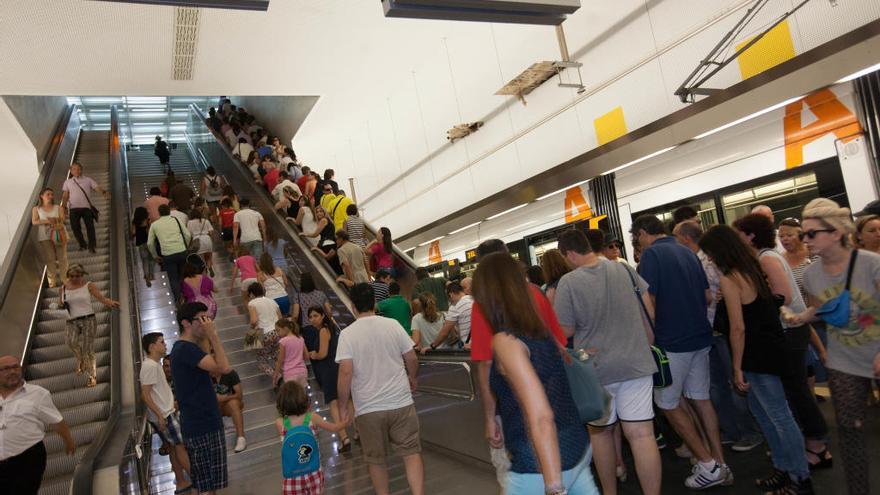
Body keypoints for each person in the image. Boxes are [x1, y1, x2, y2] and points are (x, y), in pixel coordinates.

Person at [699, 225, 814, 495]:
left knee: (778, 415)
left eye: (711, 254)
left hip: (756, 353)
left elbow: (738, 328)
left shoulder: (731, 277)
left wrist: (737, 368)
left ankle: (799, 477)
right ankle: (785, 469)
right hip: (770, 348)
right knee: (767, 415)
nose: (710, 259)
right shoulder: (753, 268)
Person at [474, 253, 598, 495]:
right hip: (577, 445)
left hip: (539, 462)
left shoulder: (505, 341)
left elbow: (540, 416)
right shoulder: (539, 330)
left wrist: (553, 487)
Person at [553, 230, 661, 495]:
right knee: (642, 435)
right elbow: (648, 311)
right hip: (636, 363)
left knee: (600, 436)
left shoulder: (568, 282)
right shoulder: (623, 270)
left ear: (569, 253)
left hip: (596, 370)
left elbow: (564, 330)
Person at [630, 214, 730, 489]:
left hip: (672, 340)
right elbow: (708, 295)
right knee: (701, 398)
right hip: (700, 336)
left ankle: (707, 464)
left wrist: (650, 338)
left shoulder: (651, 256)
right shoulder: (688, 253)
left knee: (668, 404)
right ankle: (720, 462)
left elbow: (647, 301)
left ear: (641, 234)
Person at [788, 198, 880, 495]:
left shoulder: (870, 263)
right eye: (804, 234)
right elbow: (824, 306)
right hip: (844, 361)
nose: (805, 240)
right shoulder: (812, 275)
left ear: (836, 233)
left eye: (811, 234)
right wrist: (801, 316)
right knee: (849, 433)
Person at [733, 213, 830, 468]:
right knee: (795, 389)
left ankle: (816, 446)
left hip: (789, 329)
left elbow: (783, 296)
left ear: (750, 235)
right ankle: (811, 445)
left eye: (740, 233)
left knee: (797, 390)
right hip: (788, 329)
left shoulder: (767, 257)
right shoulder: (766, 256)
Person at [673, 220, 764, 452]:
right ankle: (731, 430)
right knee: (716, 387)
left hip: (722, 329)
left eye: (676, 236)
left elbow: (716, 297)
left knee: (734, 384)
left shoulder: (709, 261)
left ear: (685, 238)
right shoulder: (699, 261)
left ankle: (748, 431)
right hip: (710, 330)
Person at [336, 283, 423, 495]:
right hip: (401, 402)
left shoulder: (347, 334)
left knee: (376, 461)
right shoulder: (392, 325)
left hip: (368, 408)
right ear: (374, 303)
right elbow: (411, 357)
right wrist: (412, 377)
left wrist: (343, 406)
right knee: (411, 453)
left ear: (353, 306)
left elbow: (345, 373)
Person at [169, 302, 232, 495]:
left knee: (206, 484)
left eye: (208, 319)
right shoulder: (185, 349)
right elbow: (224, 367)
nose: (206, 323)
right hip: (201, 425)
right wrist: (213, 335)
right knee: (206, 487)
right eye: (202, 319)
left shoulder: (188, 348)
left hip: (204, 422)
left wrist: (207, 336)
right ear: (186, 323)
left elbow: (217, 370)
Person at [0, 355, 76, 495]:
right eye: (5, 369)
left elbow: (57, 421)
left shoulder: (37, 394)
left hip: (28, 459)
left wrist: (68, 441)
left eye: (15, 367)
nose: (12, 371)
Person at [275, 381, 347, 495]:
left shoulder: (280, 423)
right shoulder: (312, 418)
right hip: (313, 470)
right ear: (303, 399)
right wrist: (345, 422)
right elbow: (333, 428)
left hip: (292, 475)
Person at [140, 333, 191, 493]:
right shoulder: (149, 366)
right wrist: (160, 415)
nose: (165, 344)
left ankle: (183, 481)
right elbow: (145, 394)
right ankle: (196, 477)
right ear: (151, 347)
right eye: (161, 342)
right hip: (164, 414)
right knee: (180, 446)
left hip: (168, 411)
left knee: (176, 447)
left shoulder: (154, 365)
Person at [61, 263, 119, 387]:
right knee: (70, 342)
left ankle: (92, 375)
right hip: (71, 320)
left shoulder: (89, 285)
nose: (74, 278)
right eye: (71, 276)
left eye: (77, 276)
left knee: (88, 349)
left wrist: (110, 302)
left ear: (82, 276)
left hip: (88, 319)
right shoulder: (63, 288)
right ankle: (80, 359)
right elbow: (61, 303)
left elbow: (100, 298)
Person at [303, 305, 351, 452]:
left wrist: (313, 354)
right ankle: (357, 432)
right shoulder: (331, 328)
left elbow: (323, 353)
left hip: (329, 370)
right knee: (348, 401)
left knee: (334, 404)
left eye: (315, 316)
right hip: (337, 367)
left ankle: (344, 437)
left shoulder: (323, 330)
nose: (312, 319)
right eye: (310, 317)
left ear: (323, 316)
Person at [148, 204, 191, 303]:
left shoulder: (155, 225)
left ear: (159, 213)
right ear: (169, 211)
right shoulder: (176, 220)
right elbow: (187, 235)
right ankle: (188, 296)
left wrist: (155, 256)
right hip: (181, 251)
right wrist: (186, 246)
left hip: (167, 255)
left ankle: (179, 299)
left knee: (173, 278)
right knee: (184, 275)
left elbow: (150, 243)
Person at [62, 161, 109, 253]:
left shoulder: (88, 180)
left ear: (81, 170)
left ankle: (92, 246)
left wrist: (104, 192)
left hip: (86, 208)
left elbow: (96, 188)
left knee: (90, 227)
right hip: (73, 209)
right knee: (75, 228)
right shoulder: (67, 182)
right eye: (74, 169)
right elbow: (65, 195)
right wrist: (63, 207)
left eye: (78, 169)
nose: (77, 171)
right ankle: (82, 244)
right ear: (71, 171)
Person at [31, 187, 67, 288]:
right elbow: (34, 221)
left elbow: (62, 219)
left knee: (62, 258)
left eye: (52, 194)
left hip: (59, 234)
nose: (50, 196)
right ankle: (52, 283)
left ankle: (65, 280)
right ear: (41, 196)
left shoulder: (58, 208)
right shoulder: (36, 209)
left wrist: (54, 220)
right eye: (48, 194)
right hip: (44, 236)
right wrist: (48, 221)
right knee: (50, 259)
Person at [422, 281, 472, 351]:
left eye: (449, 299)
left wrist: (433, 346)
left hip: (471, 347)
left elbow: (445, 331)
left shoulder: (455, 306)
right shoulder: (474, 299)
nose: (450, 301)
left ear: (451, 295)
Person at [212, 366, 247, 453]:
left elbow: (239, 395)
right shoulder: (204, 376)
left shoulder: (230, 373)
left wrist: (223, 398)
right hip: (213, 409)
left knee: (234, 403)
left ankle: (241, 438)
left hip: (227, 406)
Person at [305, 206, 341, 275]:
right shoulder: (329, 221)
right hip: (331, 245)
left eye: (321, 211)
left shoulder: (323, 220)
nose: (319, 213)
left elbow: (315, 234)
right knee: (333, 267)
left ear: (324, 212)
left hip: (326, 245)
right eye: (317, 212)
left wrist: (305, 234)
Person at [182, 256, 218, 320]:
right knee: (208, 322)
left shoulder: (184, 282)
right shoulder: (204, 278)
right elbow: (216, 290)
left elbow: (184, 296)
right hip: (209, 305)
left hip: (194, 307)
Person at [275, 319, 308, 386]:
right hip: (302, 371)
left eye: (278, 330)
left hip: (290, 373)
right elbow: (306, 356)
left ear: (285, 328)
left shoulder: (283, 341)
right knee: (302, 394)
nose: (277, 333)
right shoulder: (300, 338)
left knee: (292, 395)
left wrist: (276, 373)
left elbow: (280, 360)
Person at [131, 206, 155, 287]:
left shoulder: (134, 222)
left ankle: (146, 276)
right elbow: (150, 231)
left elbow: (133, 233)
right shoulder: (147, 221)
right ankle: (151, 274)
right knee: (151, 260)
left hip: (141, 243)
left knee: (144, 261)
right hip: (149, 242)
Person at [187, 208, 215, 277]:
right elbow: (211, 232)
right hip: (207, 239)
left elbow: (188, 235)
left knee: (201, 260)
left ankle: (205, 274)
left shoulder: (189, 223)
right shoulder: (206, 220)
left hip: (197, 242)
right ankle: (210, 267)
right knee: (208, 257)